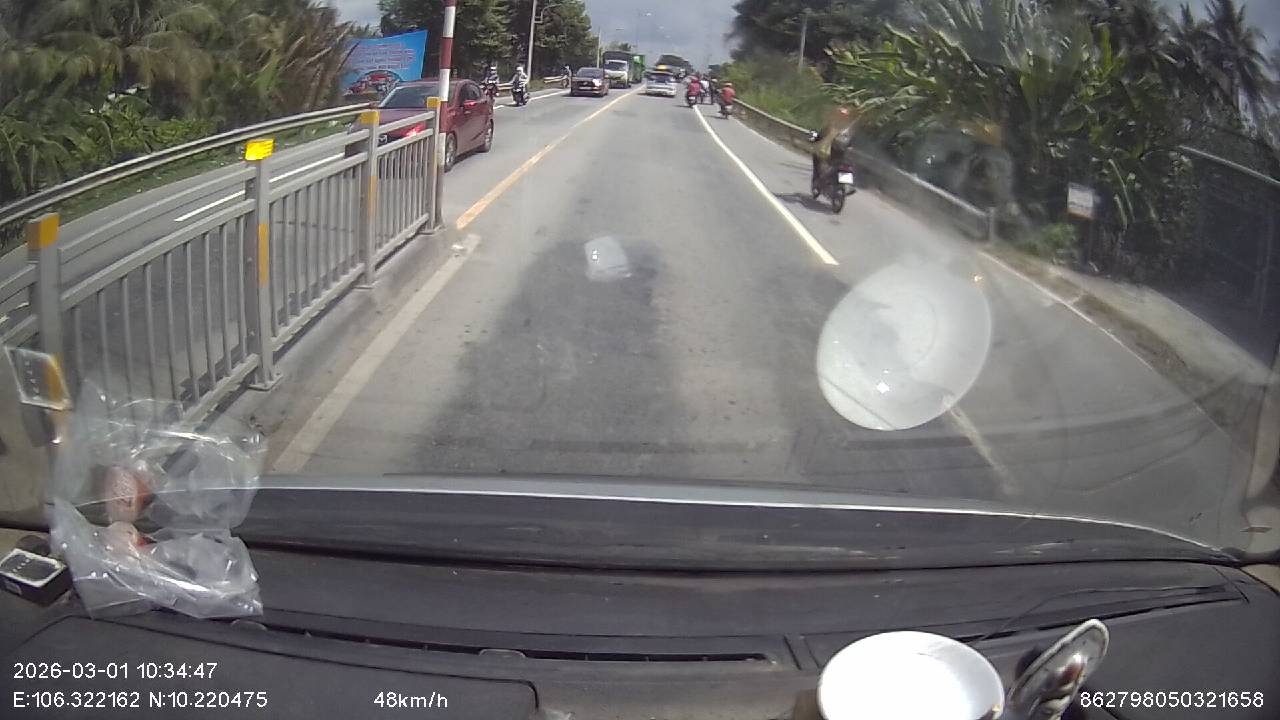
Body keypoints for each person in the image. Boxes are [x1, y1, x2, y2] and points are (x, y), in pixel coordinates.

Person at [811, 106, 857, 191]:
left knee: (844, 164)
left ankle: (844, 184)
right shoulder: (845, 128)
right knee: (820, 162)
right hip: (834, 152)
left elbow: (819, 136)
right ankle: (820, 181)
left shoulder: (839, 127)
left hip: (833, 152)